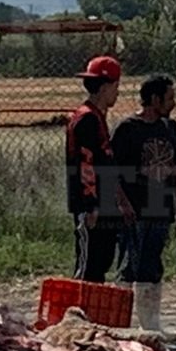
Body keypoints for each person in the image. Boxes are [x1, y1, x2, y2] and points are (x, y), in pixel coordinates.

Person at [111, 75, 176, 331]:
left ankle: (151, 325)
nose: (173, 103)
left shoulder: (170, 128)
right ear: (154, 99)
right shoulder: (128, 129)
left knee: (152, 265)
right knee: (130, 265)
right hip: (135, 208)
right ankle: (120, 323)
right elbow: (112, 172)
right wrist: (122, 203)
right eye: (169, 98)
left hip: (161, 207)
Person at [65, 55, 133, 283]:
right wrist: (90, 205)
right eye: (116, 86)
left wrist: (119, 200)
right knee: (88, 265)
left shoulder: (97, 117)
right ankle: (78, 311)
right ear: (105, 86)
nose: (117, 92)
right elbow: (86, 164)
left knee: (102, 260)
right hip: (92, 205)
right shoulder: (86, 119)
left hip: (104, 203)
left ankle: (92, 313)